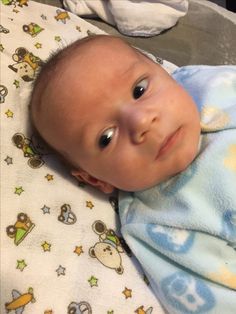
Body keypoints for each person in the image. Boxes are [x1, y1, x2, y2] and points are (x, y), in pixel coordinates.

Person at [30, 35, 236, 314]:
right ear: (94, 179)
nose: (140, 121)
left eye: (139, 90)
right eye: (106, 137)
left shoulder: (207, 84)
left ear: (165, 74)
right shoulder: (158, 225)